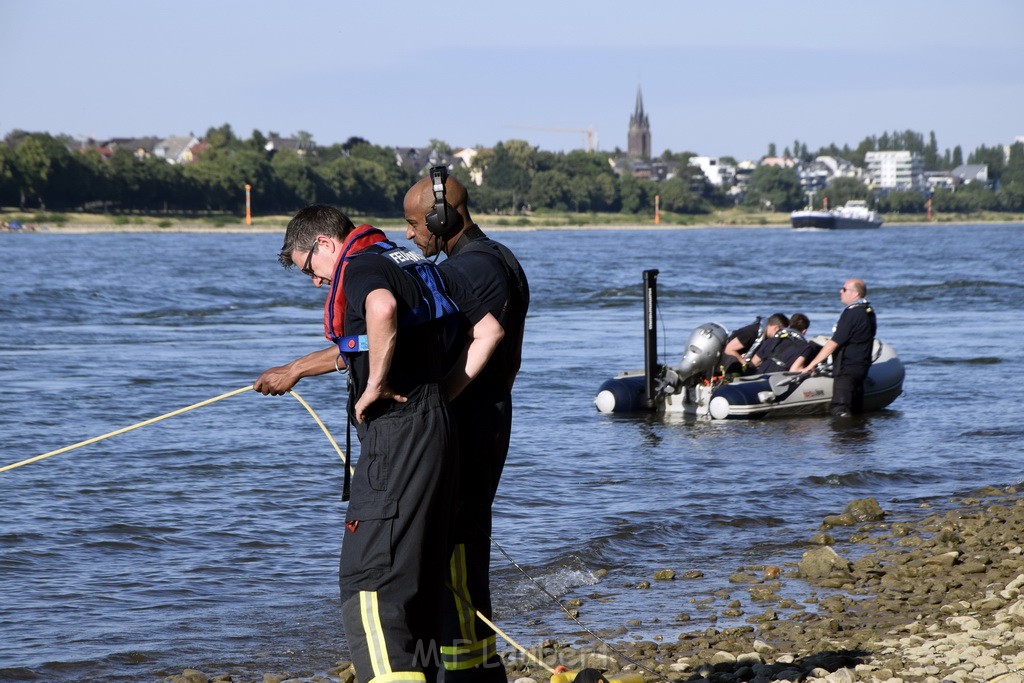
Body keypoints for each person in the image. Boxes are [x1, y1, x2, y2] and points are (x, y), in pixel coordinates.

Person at [254, 205, 504, 683]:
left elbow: (382, 310)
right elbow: (488, 328)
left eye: (310, 267)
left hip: (397, 434)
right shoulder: (405, 259)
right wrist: (439, 395)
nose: (315, 282)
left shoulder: (362, 266)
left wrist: (377, 385)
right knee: (419, 575)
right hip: (438, 429)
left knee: (369, 581)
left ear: (326, 244)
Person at [403, 169, 529, 683]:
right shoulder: (498, 256)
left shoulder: (469, 269)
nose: (410, 234)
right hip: (490, 412)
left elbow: (487, 339)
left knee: (454, 546)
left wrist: (439, 401)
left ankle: (468, 670)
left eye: (414, 224)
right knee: (464, 543)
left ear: (441, 216)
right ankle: (475, 665)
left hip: (469, 423)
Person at [800, 278, 877, 417]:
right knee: (855, 408)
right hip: (861, 368)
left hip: (847, 370)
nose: (840, 291)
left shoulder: (852, 313)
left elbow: (834, 343)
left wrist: (811, 365)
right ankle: (858, 436)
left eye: (844, 289)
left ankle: (844, 437)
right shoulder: (868, 312)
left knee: (839, 409)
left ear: (855, 294)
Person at [721, 313, 789, 375]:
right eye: (781, 332)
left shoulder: (765, 337)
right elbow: (728, 349)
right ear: (775, 328)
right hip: (727, 363)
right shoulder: (752, 332)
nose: (780, 336)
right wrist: (744, 364)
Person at [750, 312, 818, 374]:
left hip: (759, 376)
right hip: (776, 380)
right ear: (804, 331)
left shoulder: (771, 340)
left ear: (789, 326)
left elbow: (754, 363)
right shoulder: (805, 347)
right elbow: (794, 370)